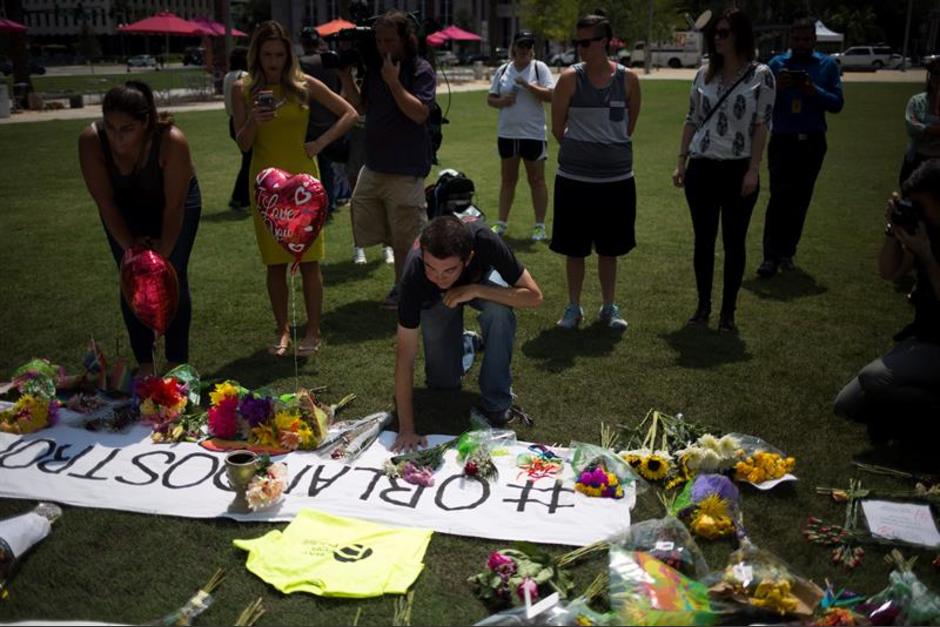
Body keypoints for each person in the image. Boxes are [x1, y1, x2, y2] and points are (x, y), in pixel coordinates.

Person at [232, 21, 357, 356]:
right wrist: (252, 122)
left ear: (289, 56)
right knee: (274, 263)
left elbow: (349, 113)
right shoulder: (242, 88)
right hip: (265, 182)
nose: (273, 61)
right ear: (256, 55)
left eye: (279, 54)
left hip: (303, 181)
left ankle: (313, 331)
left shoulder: (303, 85)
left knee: (310, 261)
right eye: (267, 54)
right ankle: (282, 330)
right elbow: (243, 145)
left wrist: (320, 143)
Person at [78, 81, 201, 378]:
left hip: (173, 204)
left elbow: (174, 208)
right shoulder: (91, 141)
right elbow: (105, 203)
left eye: (127, 129)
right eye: (111, 128)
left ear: (146, 122)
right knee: (131, 274)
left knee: (172, 274)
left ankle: (176, 361)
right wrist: (133, 249)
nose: (118, 139)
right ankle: (146, 362)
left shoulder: (172, 141)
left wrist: (162, 253)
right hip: (122, 209)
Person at [391, 216, 543, 451]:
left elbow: (534, 296)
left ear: (469, 258)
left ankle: (497, 398)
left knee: (499, 312)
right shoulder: (414, 273)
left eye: (449, 270)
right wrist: (407, 429)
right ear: (422, 256)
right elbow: (405, 357)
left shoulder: (485, 241)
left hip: (479, 283)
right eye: (430, 268)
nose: (439, 277)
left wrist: (473, 289)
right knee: (442, 383)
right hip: (435, 299)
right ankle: (468, 343)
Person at [672, 8, 775, 333]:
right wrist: (681, 161)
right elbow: (691, 119)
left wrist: (753, 170)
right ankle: (702, 308)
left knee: (734, 242)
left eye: (724, 32)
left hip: (738, 170)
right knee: (703, 242)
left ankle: (727, 313)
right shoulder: (704, 74)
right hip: (702, 168)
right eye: (715, 33)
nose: (717, 37)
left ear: (741, 35)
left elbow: (762, 125)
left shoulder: (761, 74)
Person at [834, 160, 940, 447]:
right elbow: (888, 271)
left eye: (921, 206)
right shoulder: (925, 229)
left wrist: (928, 257)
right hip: (922, 337)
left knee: (874, 378)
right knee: (847, 405)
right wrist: (894, 232)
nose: (916, 212)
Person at [338, 10, 437, 308]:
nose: (384, 46)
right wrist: (345, 75)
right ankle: (409, 281)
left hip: (406, 167)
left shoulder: (420, 69)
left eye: (389, 40)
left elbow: (419, 113)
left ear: (405, 39)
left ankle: (404, 289)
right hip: (376, 163)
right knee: (365, 213)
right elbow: (361, 107)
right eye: (379, 40)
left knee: (407, 237)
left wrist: (394, 82)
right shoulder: (377, 69)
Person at [551, 13, 641, 331]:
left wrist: (607, 150)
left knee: (610, 249)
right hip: (574, 179)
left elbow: (629, 125)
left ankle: (608, 307)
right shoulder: (568, 79)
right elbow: (557, 127)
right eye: (577, 42)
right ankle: (573, 307)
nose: (580, 48)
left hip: (616, 181)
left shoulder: (628, 79)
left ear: (605, 42)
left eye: (586, 42)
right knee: (574, 249)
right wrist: (584, 152)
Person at [756, 16, 843, 278]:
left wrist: (812, 89)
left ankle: (787, 253)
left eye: (806, 39)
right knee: (779, 198)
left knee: (800, 200)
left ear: (814, 40)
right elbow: (761, 102)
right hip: (783, 140)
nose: (801, 43)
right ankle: (770, 257)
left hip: (813, 141)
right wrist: (777, 90)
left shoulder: (827, 65)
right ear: (790, 38)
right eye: (797, 38)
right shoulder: (776, 65)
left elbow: (837, 104)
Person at [487, 30, 554, 241]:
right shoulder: (503, 69)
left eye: (528, 46)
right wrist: (502, 102)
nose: (524, 50)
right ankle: (501, 223)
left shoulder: (539, 68)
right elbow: (491, 98)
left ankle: (539, 226)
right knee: (508, 180)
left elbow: (551, 95)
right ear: (513, 47)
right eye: (521, 45)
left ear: (532, 49)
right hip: (507, 133)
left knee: (536, 179)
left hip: (533, 134)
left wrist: (528, 85)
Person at [299, 27, 343, 218]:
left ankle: (309, 203)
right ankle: (330, 203)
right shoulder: (331, 61)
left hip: (308, 123)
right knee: (328, 169)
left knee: (306, 170)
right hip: (330, 122)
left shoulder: (301, 64)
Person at [899, 56, 940, 188]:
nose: (937, 78)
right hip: (917, 158)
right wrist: (932, 130)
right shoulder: (917, 101)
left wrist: (923, 128)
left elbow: (918, 126)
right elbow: (911, 126)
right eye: (935, 73)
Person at [223, 46, 251, 212]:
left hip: (232, 120)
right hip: (244, 120)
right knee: (248, 162)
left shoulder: (228, 76)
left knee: (247, 160)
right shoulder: (244, 77)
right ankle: (239, 197)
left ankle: (241, 197)